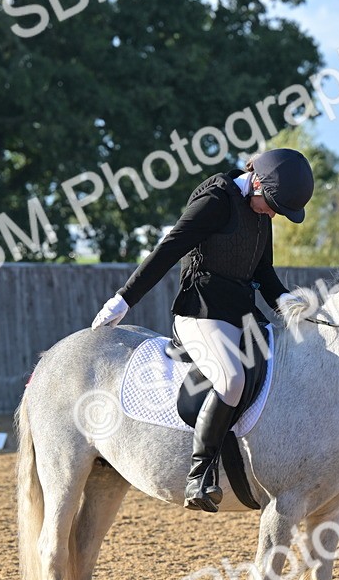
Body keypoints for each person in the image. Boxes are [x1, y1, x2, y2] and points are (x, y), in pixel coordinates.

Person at [90, 147, 314, 513]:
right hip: (201, 314)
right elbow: (167, 250)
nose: (273, 213)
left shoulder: (262, 212)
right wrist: (122, 300)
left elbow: (264, 274)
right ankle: (200, 474)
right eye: (272, 204)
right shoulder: (215, 200)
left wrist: (292, 307)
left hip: (241, 316)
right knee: (231, 380)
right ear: (256, 181)